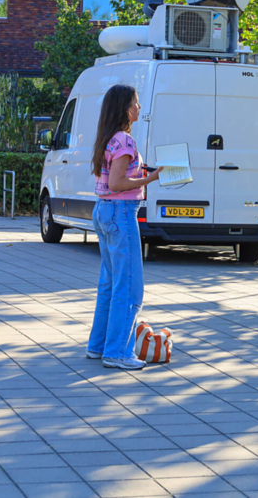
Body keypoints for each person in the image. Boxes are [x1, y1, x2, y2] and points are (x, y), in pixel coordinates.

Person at [88, 84, 163, 370]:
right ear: (124, 108)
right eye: (135, 102)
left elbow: (114, 177)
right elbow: (117, 183)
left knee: (109, 283)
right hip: (121, 213)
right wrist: (150, 179)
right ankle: (118, 352)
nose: (139, 107)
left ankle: (98, 346)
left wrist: (139, 172)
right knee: (130, 287)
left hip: (104, 211)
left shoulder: (108, 138)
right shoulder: (125, 140)